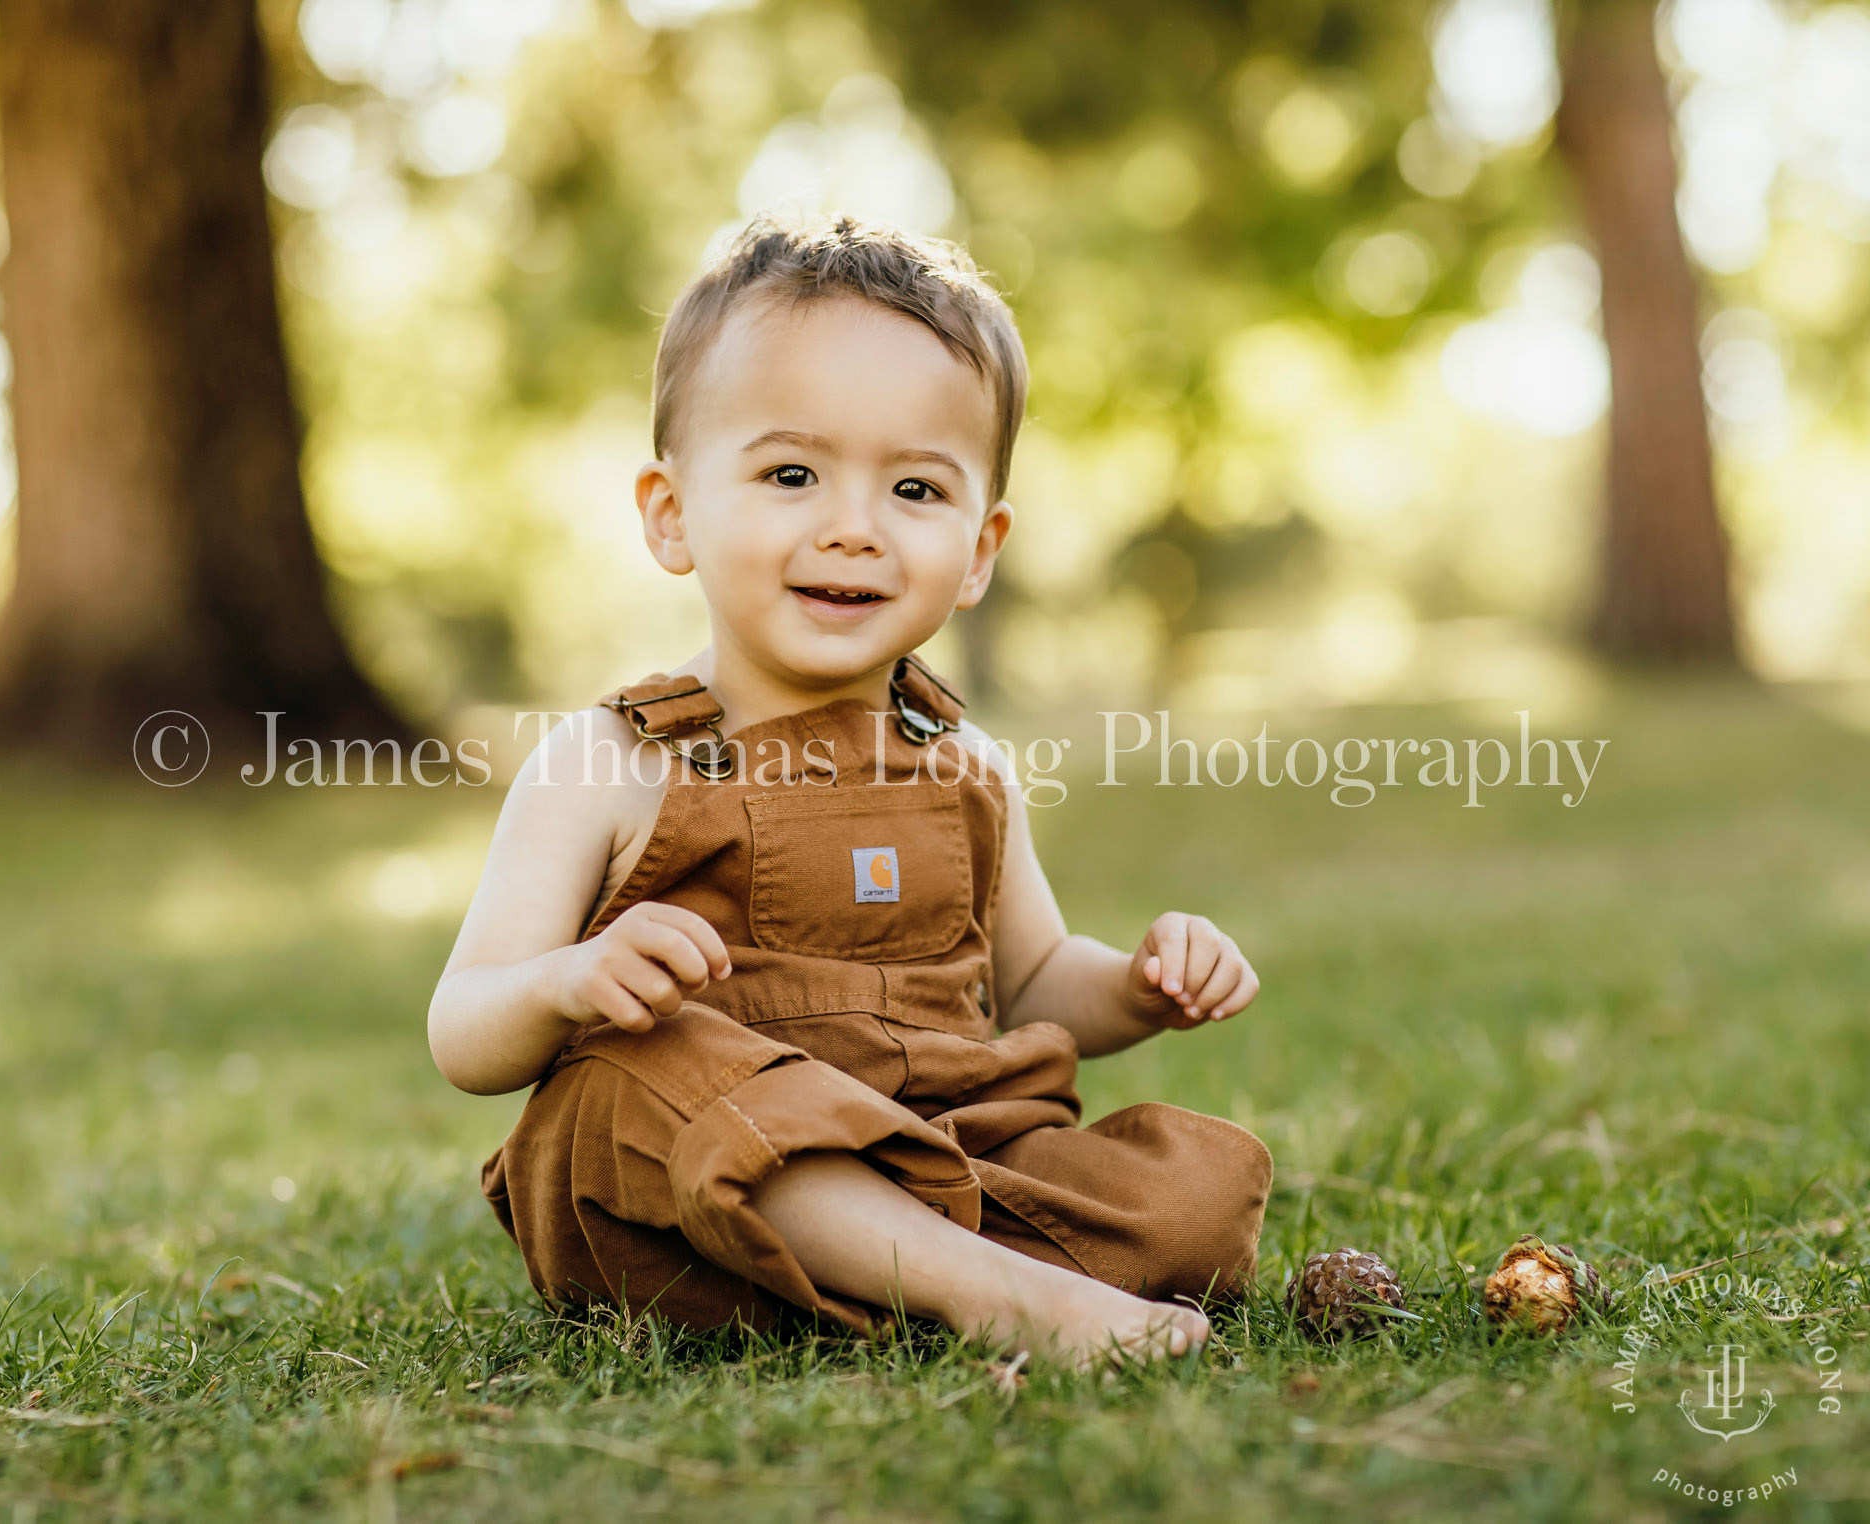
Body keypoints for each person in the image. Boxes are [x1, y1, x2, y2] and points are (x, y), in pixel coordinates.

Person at [427, 211, 1271, 1369]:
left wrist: (1136, 985)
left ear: (979, 549)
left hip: (932, 1150)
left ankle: (918, 1278)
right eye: (790, 473)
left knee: (1194, 1201)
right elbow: (464, 1030)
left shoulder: (965, 767)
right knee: (643, 1072)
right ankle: (1001, 1295)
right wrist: (571, 982)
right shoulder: (611, 760)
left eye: (916, 492)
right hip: (692, 1188)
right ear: (671, 516)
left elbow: (1028, 985)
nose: (853, 529)